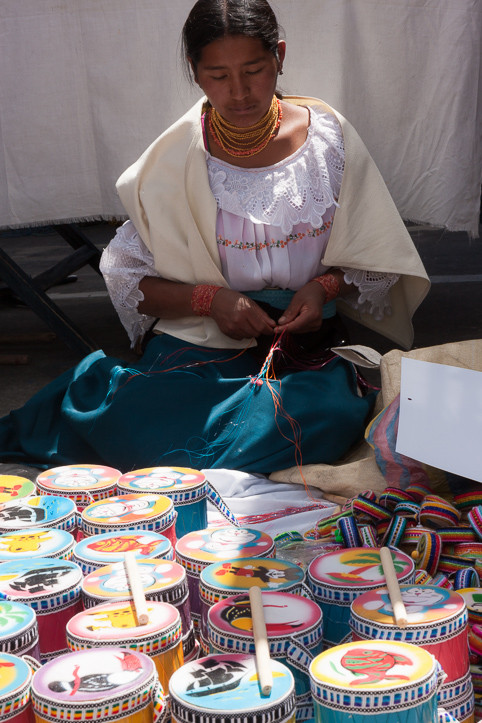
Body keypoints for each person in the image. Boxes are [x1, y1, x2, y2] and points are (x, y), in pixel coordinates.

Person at [0, 0, 429, 474]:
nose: (240, 92)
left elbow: (377, 254)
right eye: (218, 75)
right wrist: (211, 301)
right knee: (152, 423)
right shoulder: (175, 159)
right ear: (195, 73)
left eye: (254, 70)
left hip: (303, 351)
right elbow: (131, 283)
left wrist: (322, 287)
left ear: (279, 57)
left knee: (320, 413)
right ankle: (101, 396)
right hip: (203, 346)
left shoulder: (327, 140)